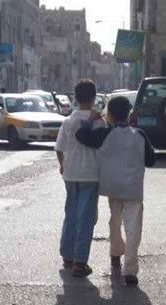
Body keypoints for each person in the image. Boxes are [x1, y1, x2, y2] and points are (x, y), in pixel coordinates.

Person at [75, 96, 155, 285]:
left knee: (115, 221)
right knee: (133, 228)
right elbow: (151, 160)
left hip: (112, 186)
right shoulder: (140, 135)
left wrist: (90, 120)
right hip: (134, 188)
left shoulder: (104, 133)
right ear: (129, 113)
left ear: (109, 115)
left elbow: (81, 135)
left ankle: (115, 254)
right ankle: (130, 270)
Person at [55, 79, 105, 277]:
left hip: (71, 174)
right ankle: (80, 261)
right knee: (86, 218)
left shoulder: (68, 121)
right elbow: (103, 148)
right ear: (94, 98)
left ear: (75, 98)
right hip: (90, 175)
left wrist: (62, 165)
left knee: (71, 214)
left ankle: (67, 256)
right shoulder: (98, 120)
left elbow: (59, 149)